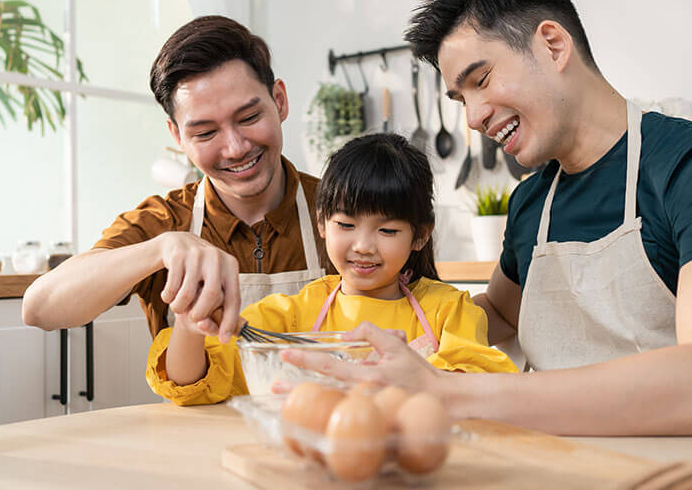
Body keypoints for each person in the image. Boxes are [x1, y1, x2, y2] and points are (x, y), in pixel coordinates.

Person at [282, 0, 692, 436]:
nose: (472, 118)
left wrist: (449, 392)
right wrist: (369, 320)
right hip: (583, 464)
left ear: (552, 45)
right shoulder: (530, 203)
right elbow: (498, 314)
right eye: (460, 98)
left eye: (482, 80)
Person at [146, 133, 519, 404]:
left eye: (387, 230)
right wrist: (189, 324)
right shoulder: (294, 315)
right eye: (345, 225)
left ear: (420, 236)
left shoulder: (447, 309)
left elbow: (481, 387)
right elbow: (192, 380)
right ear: (322, 223)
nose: (363, 246)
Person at [22, 16, 326, 344]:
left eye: (249, 118)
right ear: (177, 135)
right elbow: (39, 307)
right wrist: (161, 249)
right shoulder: (164, 222)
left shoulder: (346, 209)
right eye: (206, 132)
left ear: (279, 101)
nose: (236, 148)